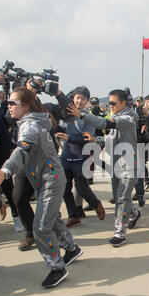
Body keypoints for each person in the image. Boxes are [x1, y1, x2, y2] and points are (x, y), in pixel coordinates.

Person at [0, 87, 83, 288]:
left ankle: (57, 267)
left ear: (26, 106)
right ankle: (72, 249)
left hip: (51, 179)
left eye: (13, 103)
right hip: (43, 179)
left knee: (40, 227)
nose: (9, 106)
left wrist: (6, 171)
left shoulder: (30, 126)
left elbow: (21, 151)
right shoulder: (30, 121)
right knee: (53, 219)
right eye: (8, 102)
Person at [68, 89, 141, 247]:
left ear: (123, 103)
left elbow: (103, 123)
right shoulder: (116, 116)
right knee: (120, 196)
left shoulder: (128, 118)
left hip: (129, 163)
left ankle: (119, 233)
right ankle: (134, 212)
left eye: (113, 103)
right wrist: (97, 139)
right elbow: (110, 138)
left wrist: (82, 115)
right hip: (116, 164)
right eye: (109, 103)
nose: (111, 106)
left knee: (121, 199)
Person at [56, 86, 105, 228]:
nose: (79, 101)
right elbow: (60, 129)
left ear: (87, 102)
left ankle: (96, 204)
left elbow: (87, 139)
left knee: (82, 188)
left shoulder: (88, 118)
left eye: (83, 99)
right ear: (73, 98)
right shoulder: (66, 114)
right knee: (65, 188)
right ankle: (73, 216)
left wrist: (69, 138)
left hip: (81, 158)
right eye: (78, 97)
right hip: (66, 156)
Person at [0, 84, 24, 231]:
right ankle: (0, 205)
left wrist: (5, 100)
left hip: (1, 157)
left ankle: (17, 217)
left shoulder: (0, 110)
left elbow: (10, 119)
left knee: (9, 189)